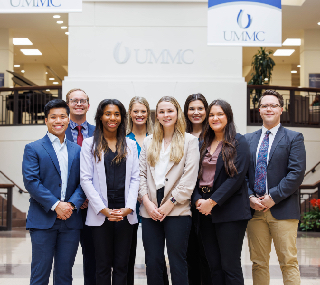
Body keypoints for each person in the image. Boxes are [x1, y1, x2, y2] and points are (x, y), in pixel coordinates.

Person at [245, 90, 306, 285]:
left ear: (281, 109)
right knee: (258, 263)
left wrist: (273, 196)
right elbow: (241, 175)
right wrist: (249, 197)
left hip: (283, 209)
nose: (268, 108)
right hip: (255, 212)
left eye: (273, 105)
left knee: (288, 261)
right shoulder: (248, 140)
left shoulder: (294, 137)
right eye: (264, 106)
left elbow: (296, 173)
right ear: (259, 110)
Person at [22, 99, 86, 285]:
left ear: (68, 120)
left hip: (71, 221)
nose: (58, 120)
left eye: (62, 116)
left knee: (65, 275)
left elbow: (84, 182)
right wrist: (56, 205)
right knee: (40, 275)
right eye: (53, 117)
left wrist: (71, 205)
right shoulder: (33, 148)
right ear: (46, 120)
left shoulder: (77, 150)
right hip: (43, 220)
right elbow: (31, 182)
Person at [139, 96, 200, 285]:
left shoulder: (190, 141)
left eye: (170, 111)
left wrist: (170, 204)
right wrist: (147, 202)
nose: (166, 115)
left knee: (177, 261)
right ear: (156, 115)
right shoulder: (148, 142)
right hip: (150, 208)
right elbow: (140, 175)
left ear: (177, 114)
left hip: (177, 208)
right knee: (153, 261)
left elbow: (189, 179)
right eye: (162, 111)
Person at [80, 99, 140, 285]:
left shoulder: (130, 144)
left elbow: (135, 178)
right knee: (102, 265)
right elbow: (85, 179)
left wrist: (128, 208)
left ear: (122, 118)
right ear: (100, 117)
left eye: (116, 114)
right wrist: (103, 209)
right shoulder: (89, 144)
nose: (112, 118)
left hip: (125, 213)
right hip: (101, 213)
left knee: (123, 265)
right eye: (108, 113)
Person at [192, 99, 251, 285]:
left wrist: (213, 201)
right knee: (213, 266)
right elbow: (192, 175)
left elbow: (237, 178)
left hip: (230, 211)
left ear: (228, 116)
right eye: (211, 115)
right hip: (204, 211)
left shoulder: (239, 141)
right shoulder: (203, 142)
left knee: (230, 266)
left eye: (220, 114)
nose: (215, 118)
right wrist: (197, 201)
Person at [126, 96, 170, 285]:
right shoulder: (124, 139)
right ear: (130, 113)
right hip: (130, 202)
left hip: (155, 202)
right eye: (136, 111)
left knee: (158, 255)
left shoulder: (157, 138)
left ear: (149, 114)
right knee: (129, 253)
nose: (139, 114)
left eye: (143, 111)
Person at [65, 88, 96, 285]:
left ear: (88, 105)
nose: (78, 103)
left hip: (93, 205)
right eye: (74, 100)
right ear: (68, 104)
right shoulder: (57, 129)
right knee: (65, 258)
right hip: (67, 205)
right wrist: (75, 200)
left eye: (82, 100)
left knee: (93, 257)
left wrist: (88, 197)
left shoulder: (98, 132)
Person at [183, 93, 212, 285]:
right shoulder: (180, 136)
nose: (196, 112)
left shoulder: (214, 135)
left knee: (208, 254)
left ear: (206, 110)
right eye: (192, 108)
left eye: (200, 108)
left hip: (208, 203)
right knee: (188, 253)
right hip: (184, 202)